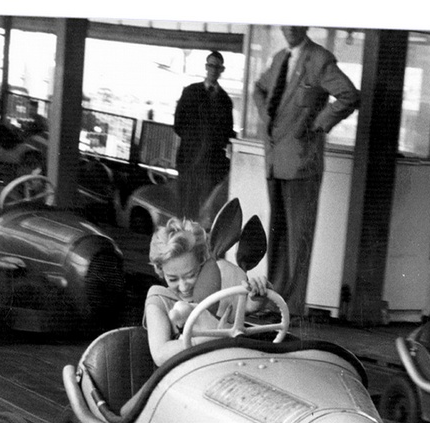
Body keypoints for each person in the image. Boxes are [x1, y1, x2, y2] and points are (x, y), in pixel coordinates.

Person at [252, 26, 359, 316]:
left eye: (294, 23)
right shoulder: (278, 59)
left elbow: (350, 95)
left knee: (298, 238)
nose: (288, 29)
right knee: (277, 234)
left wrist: (317, 125)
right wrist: (265, 115)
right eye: (284, 23)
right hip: (275, 160)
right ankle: (273, 300)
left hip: (302, 162)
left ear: (306, 25)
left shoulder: (319, 59)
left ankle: (294, 307)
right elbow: (259, 89)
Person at [144, 218, 269, 366]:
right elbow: (160, 354)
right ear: (160, 270)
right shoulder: (158, 299)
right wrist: (215, 336)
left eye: (190, 275)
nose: (184, 287)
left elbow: (246, 308)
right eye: (173, 279)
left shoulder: (217, 287)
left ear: (202, 262)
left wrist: (258, 295)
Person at [173, 51, 235, 220]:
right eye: (210, 65)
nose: (213, 70)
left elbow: (227, 132)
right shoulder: (190, 92)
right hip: (189, 161)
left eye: (217, 66)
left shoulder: (225, 100)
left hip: (211, 166)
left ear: (222, 70)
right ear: (206, 67)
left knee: (203, 213)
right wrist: (197, 140)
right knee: (184, 210)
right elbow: (178, 124)